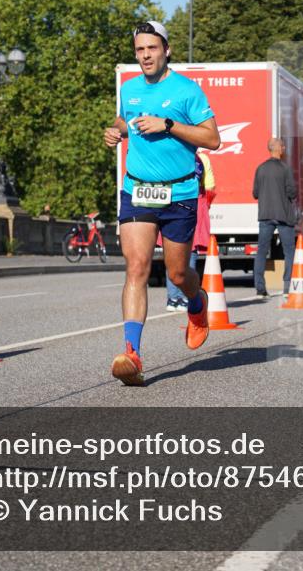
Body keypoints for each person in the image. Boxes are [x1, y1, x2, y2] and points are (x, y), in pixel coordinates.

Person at [103, 21, 220, 386]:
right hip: (137, 188)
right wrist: (117, 131)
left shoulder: (187, 90)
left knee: (177, 274)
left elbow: (212, 138)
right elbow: (127, 122)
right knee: (136, 268)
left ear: (166, 49)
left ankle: (197, 303)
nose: (146, 56)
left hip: (180, 192)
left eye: (152, 48)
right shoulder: (129, 88)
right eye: (140, 50)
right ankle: (131, 352)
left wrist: (168, 124)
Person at [165, 152, 215, 310]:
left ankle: (172, 299)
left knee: (171, 253)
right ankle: (186, 297)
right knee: (190, 251)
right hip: (194, 203)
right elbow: (210, 187)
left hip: (170, 203)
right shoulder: (202, 158)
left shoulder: (170, 155)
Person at [253, 138, 297, 298]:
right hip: (284, 215)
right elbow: (292, 192)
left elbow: (255, 193)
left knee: (261, 251)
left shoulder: (260, 169)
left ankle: (260, 288)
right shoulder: (285, 169)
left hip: (265, 215)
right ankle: (287, 287)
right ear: (280, 149)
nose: (284, 148)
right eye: (283, 146)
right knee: (289, 251)